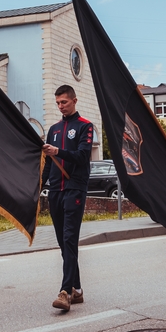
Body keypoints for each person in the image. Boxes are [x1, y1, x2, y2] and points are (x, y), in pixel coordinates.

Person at [42, 85, 94, 312]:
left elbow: (82, 156)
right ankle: (77, 289)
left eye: (64, 102)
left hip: (74, 188)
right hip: (56, 190)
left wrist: (58, 152)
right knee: (64, 243)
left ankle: (65, 292)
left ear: (74, 100)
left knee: (70, 238)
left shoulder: (85, 126)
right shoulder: (53, 129)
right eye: (58, 103)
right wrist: (39, 186)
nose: (61, 106)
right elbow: (47, 163)